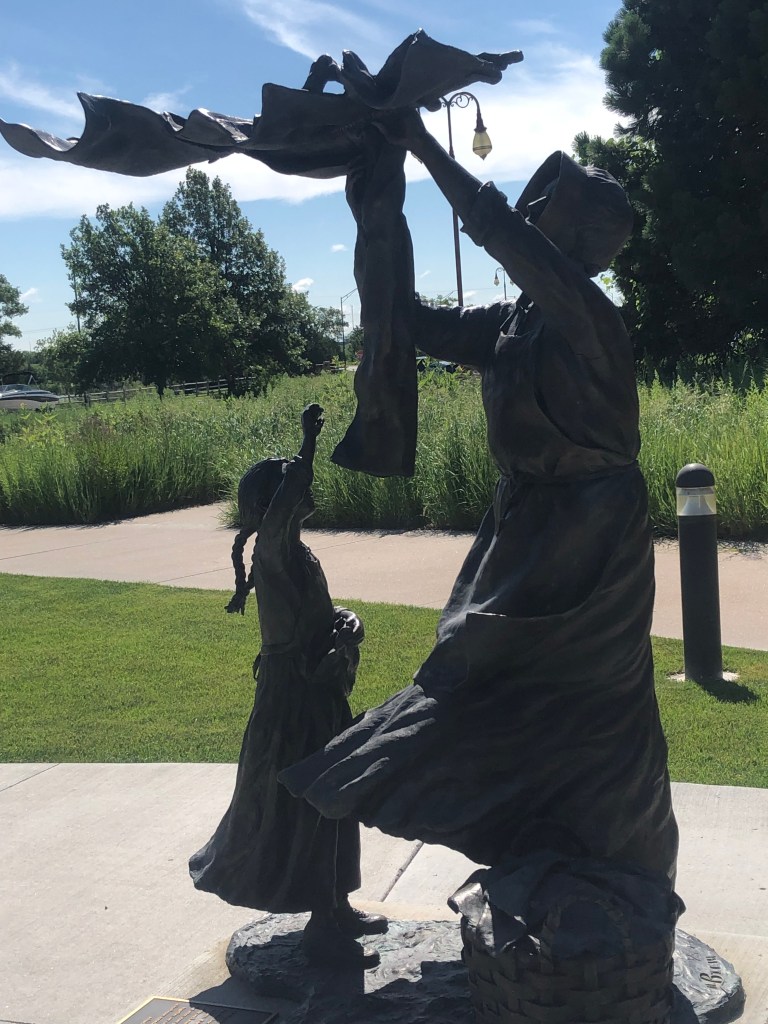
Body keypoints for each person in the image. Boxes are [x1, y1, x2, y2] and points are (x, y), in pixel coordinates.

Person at [281, 114, 680, 885]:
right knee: (489, 674)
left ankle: (607, 856)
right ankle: (533, 834)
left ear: (581, 235)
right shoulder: (516, 321)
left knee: (539, 684)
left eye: (551, 202)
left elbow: (497, 228)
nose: (533, 205)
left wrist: (424, 143)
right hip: (526, 518)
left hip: (589, 529)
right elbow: (413, 322)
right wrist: (376, 207)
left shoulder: (587, 313)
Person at [189, 404, 387, 968]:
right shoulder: (273, 550)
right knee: (311, 804)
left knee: (336, 795)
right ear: (273, 505)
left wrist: (346, 620)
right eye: (294, 487)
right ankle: (321, 927)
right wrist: (306, 443)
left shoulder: (297, 553)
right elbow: (285, 501)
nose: (308, 489)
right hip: (292, 699)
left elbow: (314, 613)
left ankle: (337, 905)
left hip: (318, 691)